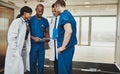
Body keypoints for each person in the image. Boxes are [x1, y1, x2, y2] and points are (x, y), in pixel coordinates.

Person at [4, 6, 32, 74]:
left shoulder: (26, 23)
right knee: (14, 68)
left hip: (23, 47)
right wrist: (15, 50)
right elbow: (11, 37)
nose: (30, 15)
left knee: (21, 67)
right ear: (24, 13)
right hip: (16, 49)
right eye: (29, 13)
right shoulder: (16, 22)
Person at [54, 0, 77, 74]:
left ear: (57, 6)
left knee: (63, 71)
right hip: (70, 47)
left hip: (65, 49)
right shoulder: (69, 14)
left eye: (55, 8)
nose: (55, 10)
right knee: (67, 70)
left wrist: (63, 46)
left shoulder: (63, 15)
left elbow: (69, 31)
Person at [29, 4, 50, 74]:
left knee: (41, 63)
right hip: (33, 45)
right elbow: (26, 33)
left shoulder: (45, 21)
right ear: (36, 10)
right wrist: (33, 38)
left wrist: (47, 38)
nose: (40, 13)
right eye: (39, 11)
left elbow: (47, 32)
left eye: (42, 11)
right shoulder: (31, 19)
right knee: (32, 62)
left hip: (41, 45)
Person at [49, 3, 59, 74]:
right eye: (52, 11)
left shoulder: (61, 18)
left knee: (60, 63)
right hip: (53, 43)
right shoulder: (52, 19)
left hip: (59, 43)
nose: (53, 13)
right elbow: (51, 30)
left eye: (55, 11)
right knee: (55, 62)